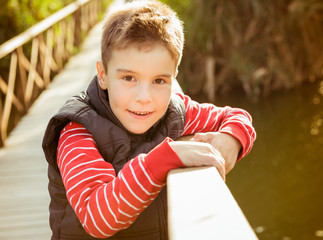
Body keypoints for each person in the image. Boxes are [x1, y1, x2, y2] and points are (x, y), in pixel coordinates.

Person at [42, 0, 256, 239]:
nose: (144, 98)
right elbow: (97, 218)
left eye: (159, 81)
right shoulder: (76, 131)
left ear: (173, 79)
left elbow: (235, 116)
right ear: (103, 75)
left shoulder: (175, 111)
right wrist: (168, 157)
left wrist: (231, 138)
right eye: (129, 78)